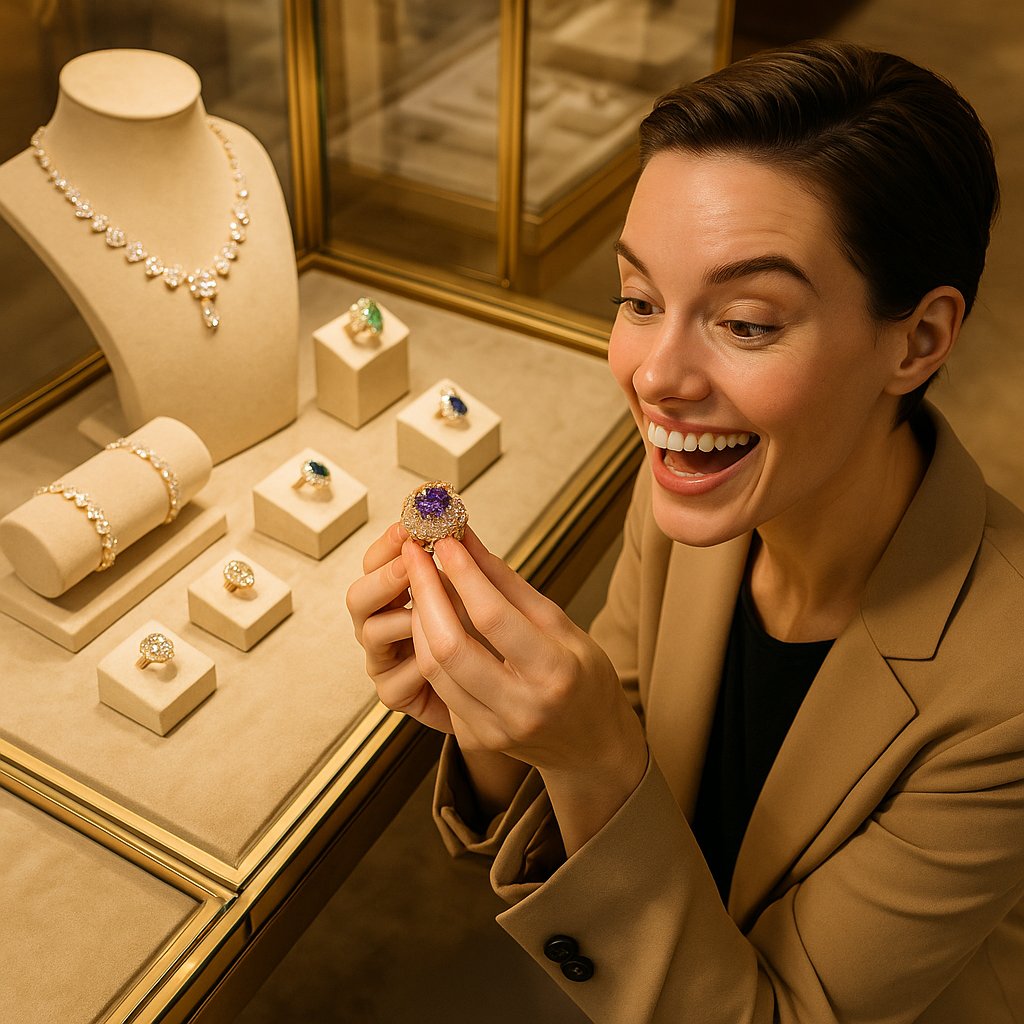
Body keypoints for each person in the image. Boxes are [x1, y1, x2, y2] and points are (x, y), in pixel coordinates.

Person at [346, 40, 1024, 1023]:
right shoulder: (699, 486)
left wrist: (585, 755)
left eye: (746, 321)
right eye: (637, 299)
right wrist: (492, 725)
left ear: (916, 340)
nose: (655, 376)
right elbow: (617, 798)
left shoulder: (1005, 694)